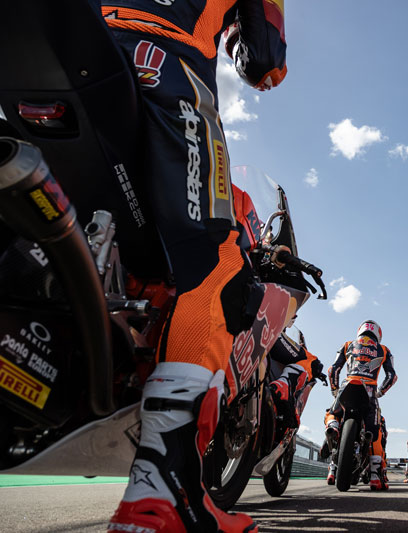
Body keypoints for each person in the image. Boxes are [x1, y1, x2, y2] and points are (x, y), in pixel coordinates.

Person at [104, 0, 287, 530]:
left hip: (62, 42)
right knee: (215, 264)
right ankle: (163, 489)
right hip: (163, 60)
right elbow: (262, 61)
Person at [324, 320, 397, 490]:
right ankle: (375, 476)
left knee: (332, 413)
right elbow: (392, 376)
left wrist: (334, 389)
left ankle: (333, 430)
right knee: (375, 433)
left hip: (346, 386)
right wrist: (380, 392)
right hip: (370, 391)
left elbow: (333, 369)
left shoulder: (347, 345)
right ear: (378, 334)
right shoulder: (384, 350)